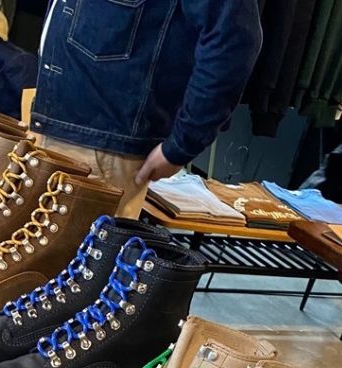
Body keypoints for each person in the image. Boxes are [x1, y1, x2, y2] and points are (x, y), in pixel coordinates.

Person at [31, 0, 263, 216]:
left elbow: (233, 40)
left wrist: (183, 143)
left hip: (102, 148)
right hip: (56, 124)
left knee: (77, 244)